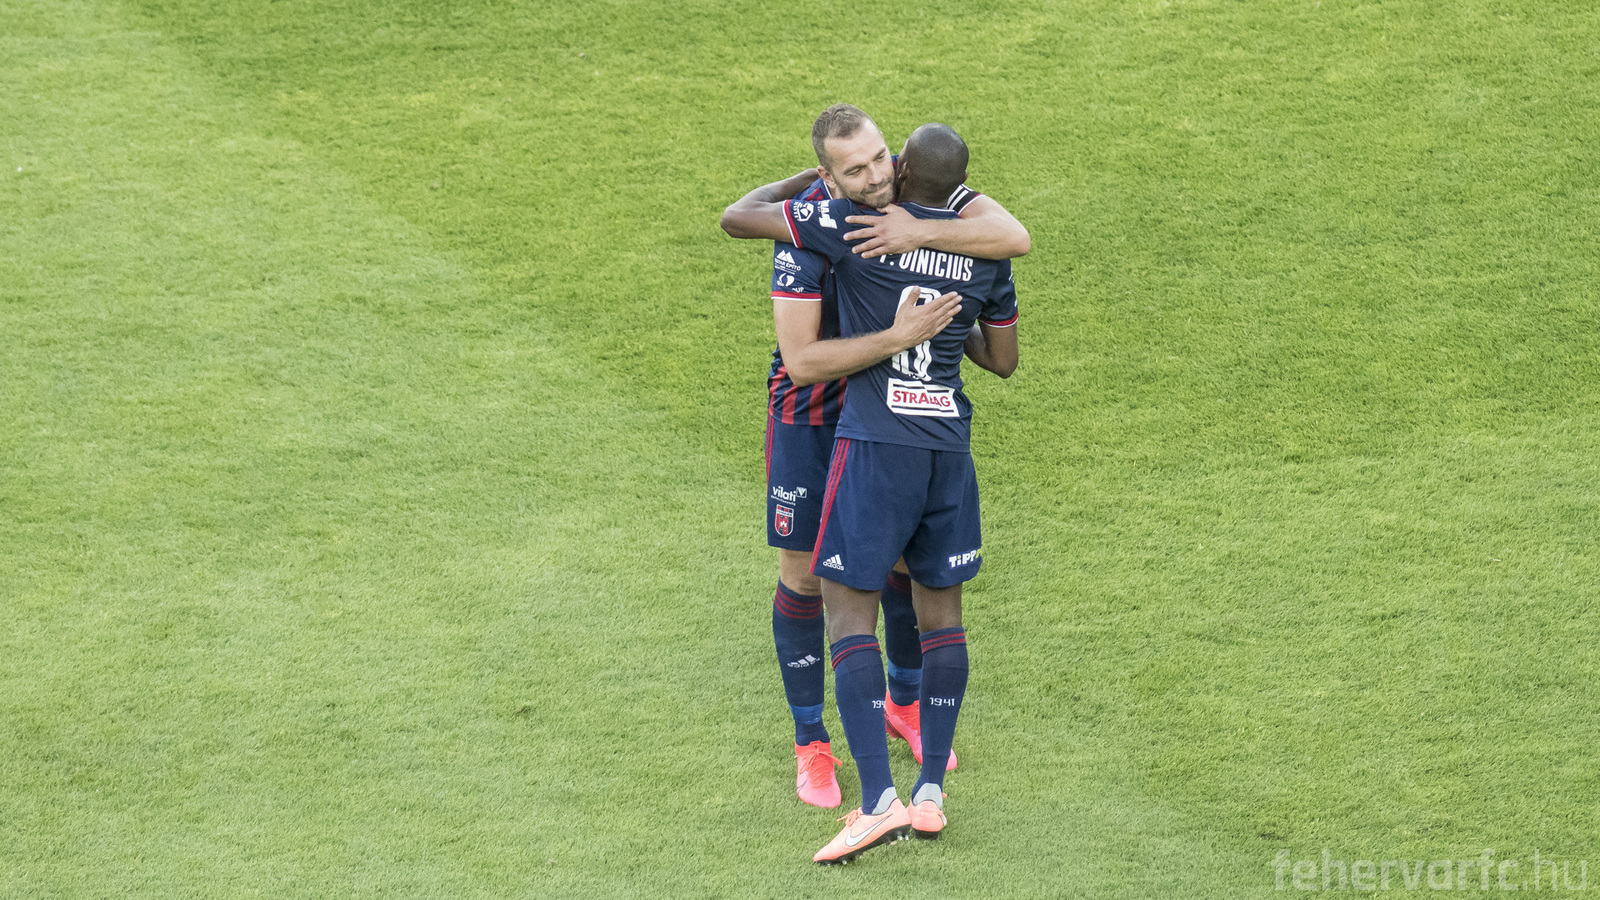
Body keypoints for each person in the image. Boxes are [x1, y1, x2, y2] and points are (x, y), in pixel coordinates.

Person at [723, 115, 1019, 863]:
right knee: (807, 577)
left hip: (885, 418)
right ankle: (812, 743)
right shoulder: (814, 228)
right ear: (828, 177)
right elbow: (801, 361)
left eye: (881, 159)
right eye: (854, 170)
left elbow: (1010, 234)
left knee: (895, 570)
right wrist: (901, 335)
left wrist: (918, 233)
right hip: (815, 415)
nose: (876, 176)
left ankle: (903, 709)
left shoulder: (916, 212)